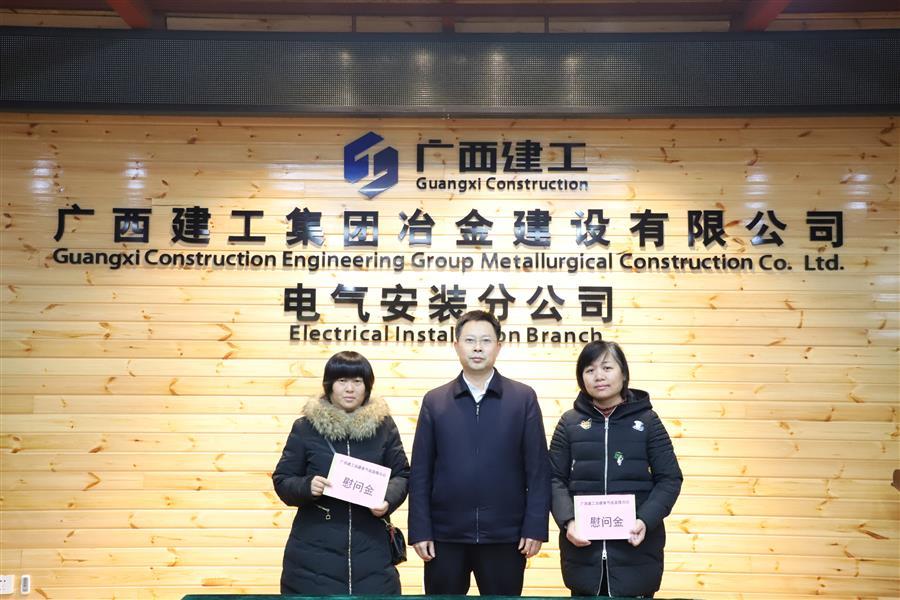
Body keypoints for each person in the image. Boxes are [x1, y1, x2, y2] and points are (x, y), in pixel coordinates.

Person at [408, 310, 551, 596]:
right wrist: (420, 530)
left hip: (506, 536)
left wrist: (535, 527)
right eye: (470, 340)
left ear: (499, 346)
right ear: (456, 345)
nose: (477, 348)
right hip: (445, 536)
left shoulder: (522, 398)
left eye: (486, 341)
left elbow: (538, 470)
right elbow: (421, 471)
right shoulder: (435, 401)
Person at [549, 341, 682, 598]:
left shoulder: (648, 421)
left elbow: (670, 479)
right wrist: (568, 521)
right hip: (583, 554)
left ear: (623, 373)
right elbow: (553, 478)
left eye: (607, 368)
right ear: (581, 378)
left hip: (637, 552)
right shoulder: (570, 423)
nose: (598, 376)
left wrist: (645, 520)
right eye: (589, 370)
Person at [273, 351, 409, 595]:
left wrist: (387, 499)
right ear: (329, 385)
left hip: (372, 552)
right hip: (313, 555)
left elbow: (402, 475)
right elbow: (283, 480)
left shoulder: (384, 427)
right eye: (342, 381)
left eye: (357, 381)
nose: (350, 389)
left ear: (367, 386)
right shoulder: (305, 428)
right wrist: (307, 486)